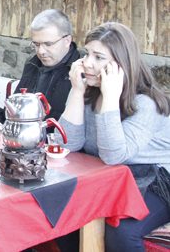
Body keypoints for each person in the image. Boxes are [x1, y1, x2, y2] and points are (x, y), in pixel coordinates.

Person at [58, 22, 170, 252]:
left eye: (99, 57)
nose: (87, 63)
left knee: (121, 232)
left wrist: (110, 97)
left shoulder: (146, 103)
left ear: (121, 65)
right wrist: (77, 92)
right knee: (61, 217)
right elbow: (67, 144)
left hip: (155, 181)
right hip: (109, 178)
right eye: (87, 54)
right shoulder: (89, 90)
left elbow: (114, 155)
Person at [16, 9, 80, 121]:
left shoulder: (80, 73)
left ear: (67, 41)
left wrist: (47, 114)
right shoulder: (32, 64)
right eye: (36, 44)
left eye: (48, 44)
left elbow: (80, 126)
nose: (41, 51)